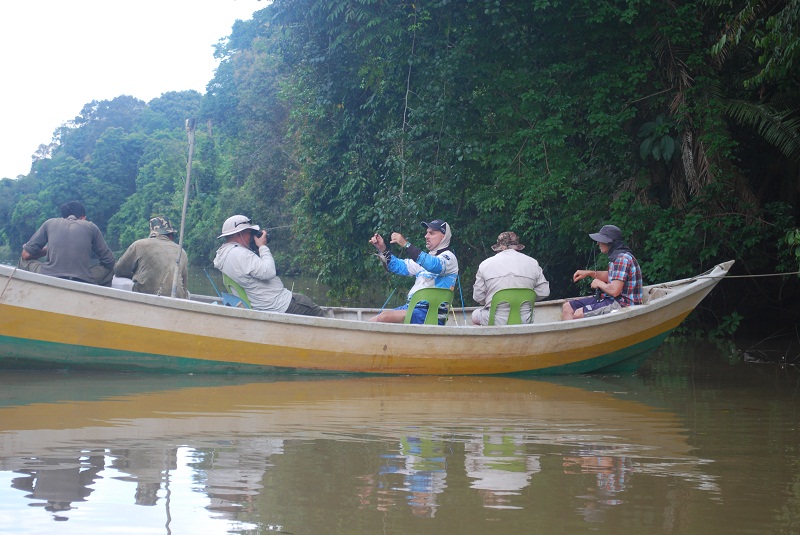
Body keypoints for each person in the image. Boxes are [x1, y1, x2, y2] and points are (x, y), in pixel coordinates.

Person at [212, 214, 325, 317]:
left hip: (265, 304)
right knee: (317, 312)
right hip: (279, 304)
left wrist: (256, 250)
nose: (252, 236)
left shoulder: (225, 254)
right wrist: (262, 247)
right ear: (239, 234)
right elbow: (269, 272)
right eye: (250, 232)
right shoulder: (240, 254)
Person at [368, 219, 459, 324]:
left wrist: (406, 244)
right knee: (371, 321)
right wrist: (383, 249)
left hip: (431, 313)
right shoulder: (425, 260)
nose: (426, 236)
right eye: (426, 233)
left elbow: (433, 265)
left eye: (431, 233)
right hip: (412, 309)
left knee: (384, 317)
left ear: (443, 236)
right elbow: (397, 266)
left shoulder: (449, 258)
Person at [19, 200, 115, 286]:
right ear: (83, 217)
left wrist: (47, 250)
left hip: (49, 275)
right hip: (83, 279)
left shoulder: (50, 223)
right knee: (109, 269)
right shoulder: (91, 226)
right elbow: (109, 261)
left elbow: (25, 254)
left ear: (63, 216)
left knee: (23, 261)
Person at [561, 224, 643, 320]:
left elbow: (614, 291)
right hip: (611, 299)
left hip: (623, 304)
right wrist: (589, 273)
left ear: (610, 242)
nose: (598, 243)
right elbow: (611, 276)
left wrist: (599, 283)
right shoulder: (617, 257)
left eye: (601, 240)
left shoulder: (622, 259)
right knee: (568, 307)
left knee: (578, 314)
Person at [471, 231, 550, 326]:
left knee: (475, 315)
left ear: (498, 248)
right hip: (525, 319)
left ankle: (489, 336)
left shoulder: (485, 265)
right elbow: (544, 292)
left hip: (495, 320)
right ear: (517, 247)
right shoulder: (533, 263)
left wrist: (490, 300)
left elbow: (478, 296)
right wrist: (525, 298)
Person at [114, 216, 189, 298]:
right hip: (175, 299)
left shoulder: (139, 245)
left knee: (116, 280)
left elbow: (119, 270)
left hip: (145, 296)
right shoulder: (181, 252)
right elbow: (184, 284)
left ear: (153, 234)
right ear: (171, 235)